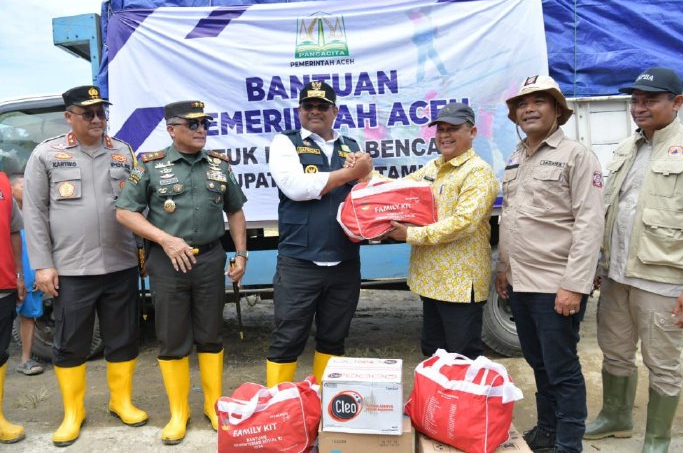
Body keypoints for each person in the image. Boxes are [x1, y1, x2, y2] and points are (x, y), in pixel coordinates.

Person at [115, 100, 248, 445]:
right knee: (172, 337)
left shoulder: (219, 166)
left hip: (209, 259)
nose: (201, 129)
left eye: (204, 123)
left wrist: (241, 254)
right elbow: (125, 213)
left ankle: (212, 406)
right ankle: (179, 412)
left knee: (211, 334)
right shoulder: (150, 166)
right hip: (167, 262)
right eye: (192, 124)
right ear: (172, 130)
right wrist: (165, 239)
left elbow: (235, 211)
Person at [23, 85, 147, 447]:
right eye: (88, 113)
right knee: (71, 343)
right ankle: (73, 412)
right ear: (69, 117)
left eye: (101, 113)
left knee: (123, 337)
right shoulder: (46, 155)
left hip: (121, 263)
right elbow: (34, 214)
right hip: (71, 269)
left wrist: (143, 253)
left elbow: (139, 206)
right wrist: (42, 266)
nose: (97, 119)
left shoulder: (123, 152)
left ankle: (120, 401)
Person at [584, 67, 683, 453]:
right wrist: (600, 266)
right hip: (618, 275)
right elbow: (612, 213)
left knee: (662, 362)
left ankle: (657, 439)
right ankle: (617, 417)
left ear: (677, 103)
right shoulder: (625, 148)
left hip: (662, 278)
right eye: (635, 100)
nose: (639, 107)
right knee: (615, 350)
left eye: (650, 100)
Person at [495, 75, 604, 453]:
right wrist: (503, 268)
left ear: (557, 110)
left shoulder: (577, 155)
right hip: (522, 283)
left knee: (562, 368)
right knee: (538, 363)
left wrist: (575, 285)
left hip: (556, 284)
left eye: (539, 101)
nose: (529, 108)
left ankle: (569, 442)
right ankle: (547, 430)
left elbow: (590, 223)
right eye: (522, 104)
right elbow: (511, 217)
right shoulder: (516, 157)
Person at [266, 80, 373, 387]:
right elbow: (298, 188)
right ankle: (278, 409)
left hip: (344, 259)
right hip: (299, 261)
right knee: (287, 338)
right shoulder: (284, 142)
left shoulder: (351, 147)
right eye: (308, 106)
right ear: (299, 111)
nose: (315, 112)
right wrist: (350, 173)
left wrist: (366, 174)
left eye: (322, 106)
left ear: (335, 111)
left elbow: (366, 192)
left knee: (334, 338)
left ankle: (328, 408)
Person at [386, 102, 498, 359]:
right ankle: (440, 400)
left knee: (461, 358)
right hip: (432, 281)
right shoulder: (434, 167)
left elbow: (463, 222)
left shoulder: (478, 172)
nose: (444, 135)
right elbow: (400, 189)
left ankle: (464, 400)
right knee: (433, 353)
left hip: (459, 285)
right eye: (441, 129)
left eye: (453, 129)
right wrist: (365, 176)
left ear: (472, 132)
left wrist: (410, 234)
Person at [0, 171, 26, 444]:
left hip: (3, 283)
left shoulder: (3, 181)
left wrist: (19, 274)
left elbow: (13, 230)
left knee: (0, 351)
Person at [9, 173, 44, 376]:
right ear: (11, 191)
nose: (28, 188)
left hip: (33, 275)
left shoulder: (36, 215)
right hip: (11, 274)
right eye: (23, 185)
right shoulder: (7, 217)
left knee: (29, 316)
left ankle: (25, 359)